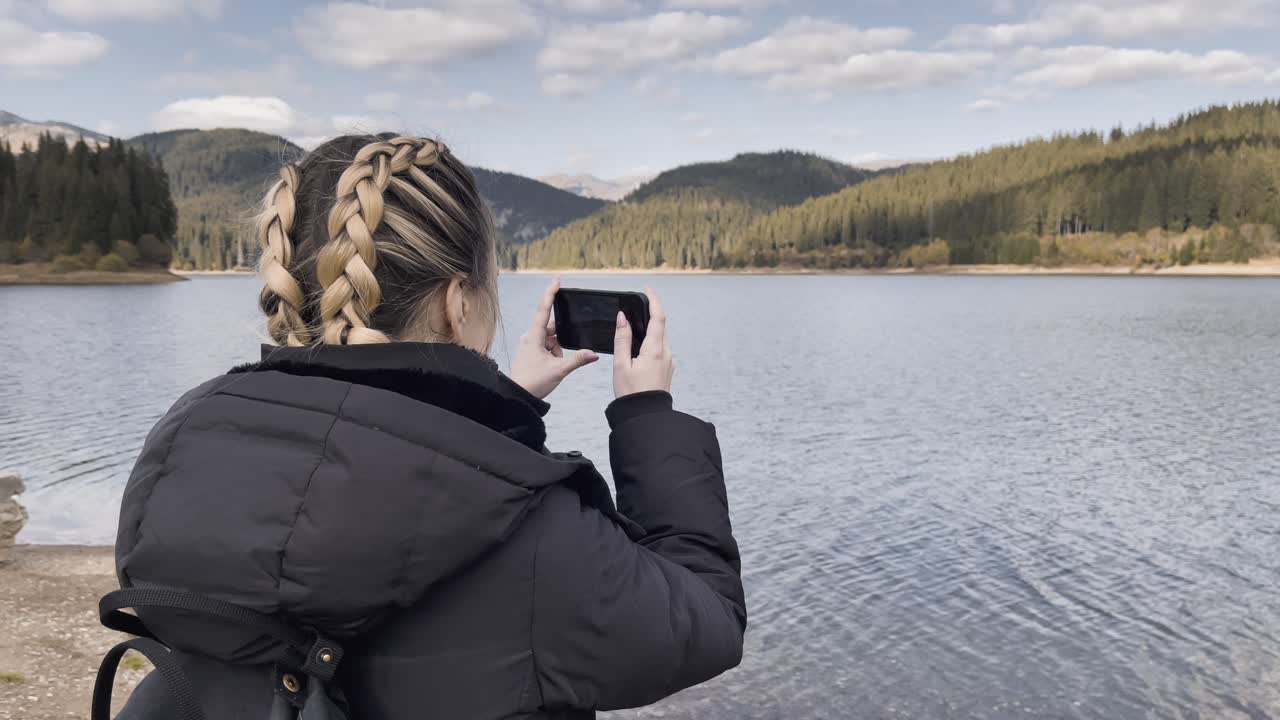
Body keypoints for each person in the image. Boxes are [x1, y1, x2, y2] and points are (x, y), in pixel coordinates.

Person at [105, 134, 745, 719]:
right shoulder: (537, 543)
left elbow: (358, 461)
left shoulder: (184, 457)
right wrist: (646, 416)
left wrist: (510, 401)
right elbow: (707, 622)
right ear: (456, 299)